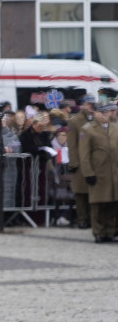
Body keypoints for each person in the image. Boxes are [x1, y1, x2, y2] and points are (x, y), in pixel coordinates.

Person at [77, 101, 118, 242]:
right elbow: (84, 154)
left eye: (107, 112)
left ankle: (111, 231)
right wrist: (88, 173)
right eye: (102, 112)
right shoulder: (88, 129)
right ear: (95, 113)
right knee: (98, 205)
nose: (105, 115)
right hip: (99, 173)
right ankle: (99, 232)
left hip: (114, 173)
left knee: (113, 203)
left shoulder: (115, 128)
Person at [66, 94, 97, 229]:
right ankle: (82, 219)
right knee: (81, 193)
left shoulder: (96, 118)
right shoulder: (75, 121)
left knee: (93, 192)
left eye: (93, 104)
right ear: (83, 105)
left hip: (94, 161)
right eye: (89, 104)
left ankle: (92, 219)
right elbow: (72, 144)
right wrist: (73, 163)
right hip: (80, 160)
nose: (92, 106)